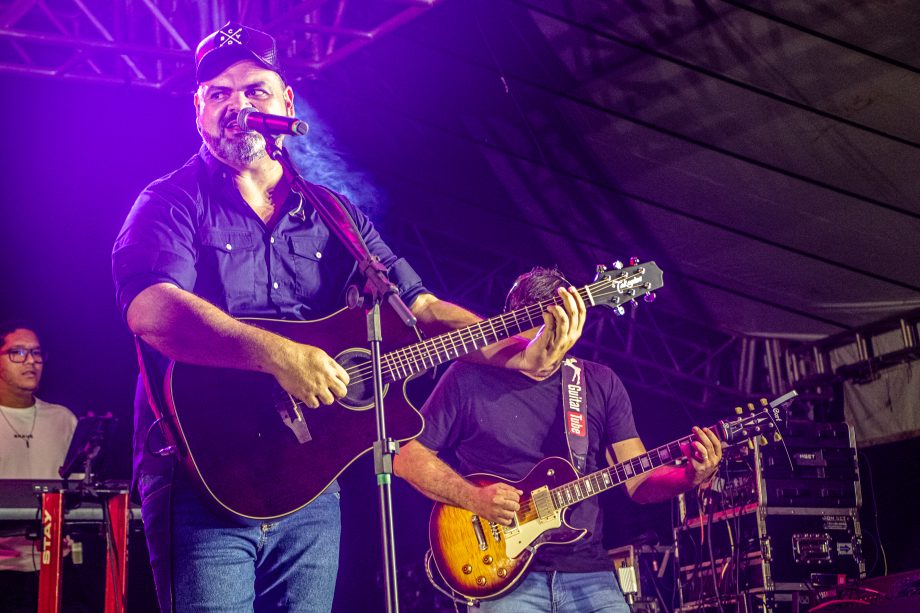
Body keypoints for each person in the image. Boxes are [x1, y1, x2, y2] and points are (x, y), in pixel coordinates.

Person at [111, 22, 584, 613]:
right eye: (219, 94)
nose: (237, 105)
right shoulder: (171, 201)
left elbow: (419, 307)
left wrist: (506, 350)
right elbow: (151, 310)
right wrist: (278, 354)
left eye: (254, 90)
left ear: (286, 102)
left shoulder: (332, 213)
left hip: (309, 477)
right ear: (198, 112)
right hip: (202, 475)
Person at [393, 267, 724, 613]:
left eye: (559, 332)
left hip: (589, 573)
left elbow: (638, 480)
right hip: (502, 575)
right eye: (537, 333)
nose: (549, 346)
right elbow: (406, 457)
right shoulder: (468, 376)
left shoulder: (598, 382)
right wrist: (474, 498)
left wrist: (688, 476)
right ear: (509, 324)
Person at [0, 321, 78, 611]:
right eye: (17, 353)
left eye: (36, 353)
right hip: (4, 571)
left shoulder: (63, 419)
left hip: (57, 566)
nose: (30, 361)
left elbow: (79, 492)